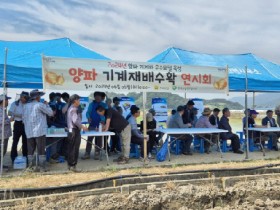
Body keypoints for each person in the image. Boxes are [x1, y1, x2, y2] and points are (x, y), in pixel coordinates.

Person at [23, 89, 54, 172]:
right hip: (39, 131)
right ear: (37, 97)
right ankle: (42, 167)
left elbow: (23, 119)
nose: (40, 97)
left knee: (30, 150)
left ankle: (30, 167)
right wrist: (47, 105)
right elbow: (51, 113)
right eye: (39, 96)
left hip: (29, 131)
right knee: (41, 150)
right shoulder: (40, 105)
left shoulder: (25, 106)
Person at [82, 92, 107, 160]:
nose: (98, 99)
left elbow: (106, 114)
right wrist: (89, 117)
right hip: (92, 124)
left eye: (99, 97)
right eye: (96, 97)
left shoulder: (104, 105)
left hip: (100, 125)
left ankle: (97, 153)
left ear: (101, 98)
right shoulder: (91, 104)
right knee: (89, 139)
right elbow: (88, 113)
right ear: (94, 97)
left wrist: (103, 120)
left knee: (99, 139)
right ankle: (87, 153)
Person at [67, 94, 88, 172]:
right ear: (75, 101)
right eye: (78, 100)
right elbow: (75, 121)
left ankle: (71, 166)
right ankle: (73, 166)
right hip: (74, 131)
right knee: (74, 149)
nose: (79, 101)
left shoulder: (72, 108)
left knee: (71, 149)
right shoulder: (73, 109)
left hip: (72, 130)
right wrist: (83, 127)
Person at [8, 91, 29, 163]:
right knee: (15, 141)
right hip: (18, 123)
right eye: (24, 98)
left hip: (26, 124)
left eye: (27, 98)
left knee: (25, 142)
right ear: (21, 97)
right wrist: (17, 114)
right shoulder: (15, 104)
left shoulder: (28, 104)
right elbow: (9, 112)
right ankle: (13, 157)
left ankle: (25, 157)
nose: (25, 99)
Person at [0, 94, 12, 169]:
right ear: (3, 101)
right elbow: (1, 121)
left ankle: (1, 164)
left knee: (3, 151)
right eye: (7, 100)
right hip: (2, 134)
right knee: (1, 151)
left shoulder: (3, 109)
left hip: (5, 134)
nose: (8, 101)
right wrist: (10, 120)